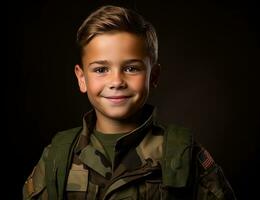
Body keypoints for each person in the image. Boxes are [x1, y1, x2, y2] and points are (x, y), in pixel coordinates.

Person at [23, 5, 236, 200]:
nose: (116, 82)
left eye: (131, 68)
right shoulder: (58, 155)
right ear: (81, 78)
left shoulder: (184, 154)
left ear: (154, 76)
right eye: (101, 69)